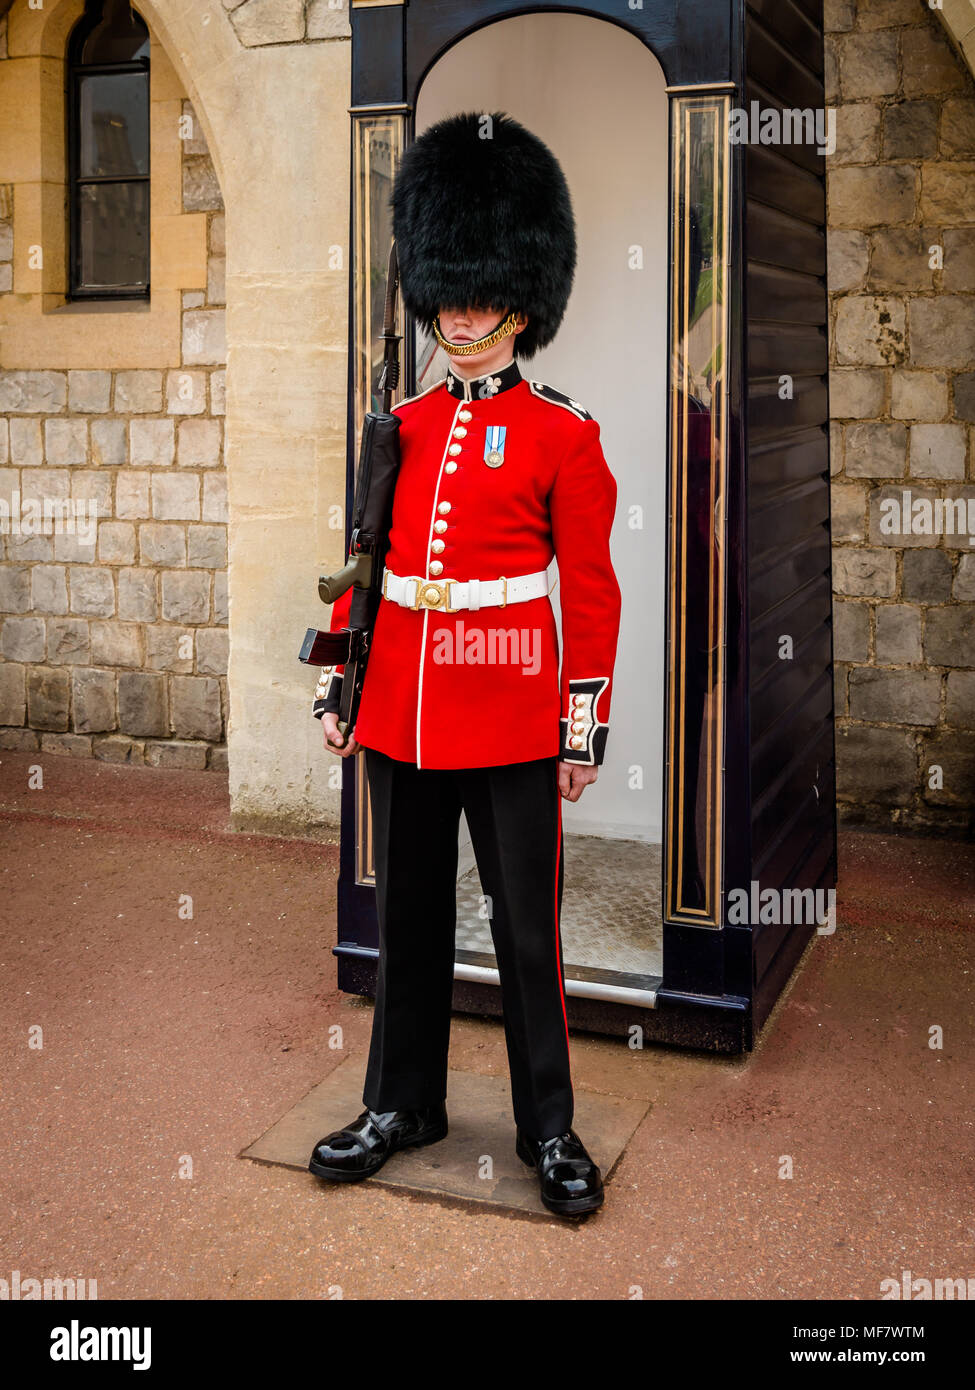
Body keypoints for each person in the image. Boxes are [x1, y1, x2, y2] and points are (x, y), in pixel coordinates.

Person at [307, 111, 621, 1218]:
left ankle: (551, 1127)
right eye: (448, 292)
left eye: (482, 294)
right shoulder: (399, 425)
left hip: (512, 713)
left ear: (522, 301)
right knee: (409, 922)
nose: (462, 313)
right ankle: (403, 1103)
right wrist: (343, 686)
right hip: (401, 706)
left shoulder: (562, 436)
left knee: (525, 928)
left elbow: (589, 594)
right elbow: (367, 569)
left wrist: (580, 728)